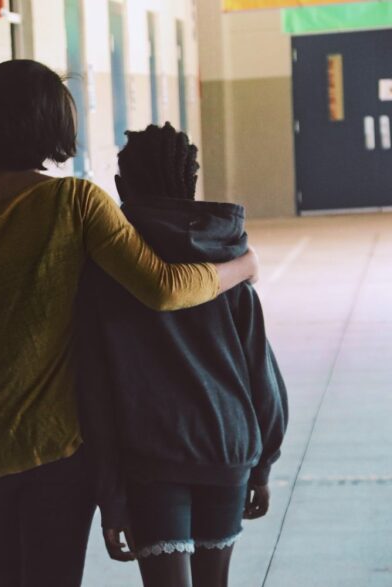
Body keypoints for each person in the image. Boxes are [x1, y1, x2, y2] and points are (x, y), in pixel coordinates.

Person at [0, 61, 259, 587]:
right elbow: (164, 288)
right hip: (56, 452)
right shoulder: (76, 203)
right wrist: (240, 267)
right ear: (54, 126)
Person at [76, 123, 288, 587]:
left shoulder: (106, 270)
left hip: (150, 460)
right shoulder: (228, 262)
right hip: (226, 448)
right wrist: (263, 463)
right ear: (191, 184)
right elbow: (261, 374)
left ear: (120, 188)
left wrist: (111, 498)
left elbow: (94, 391)